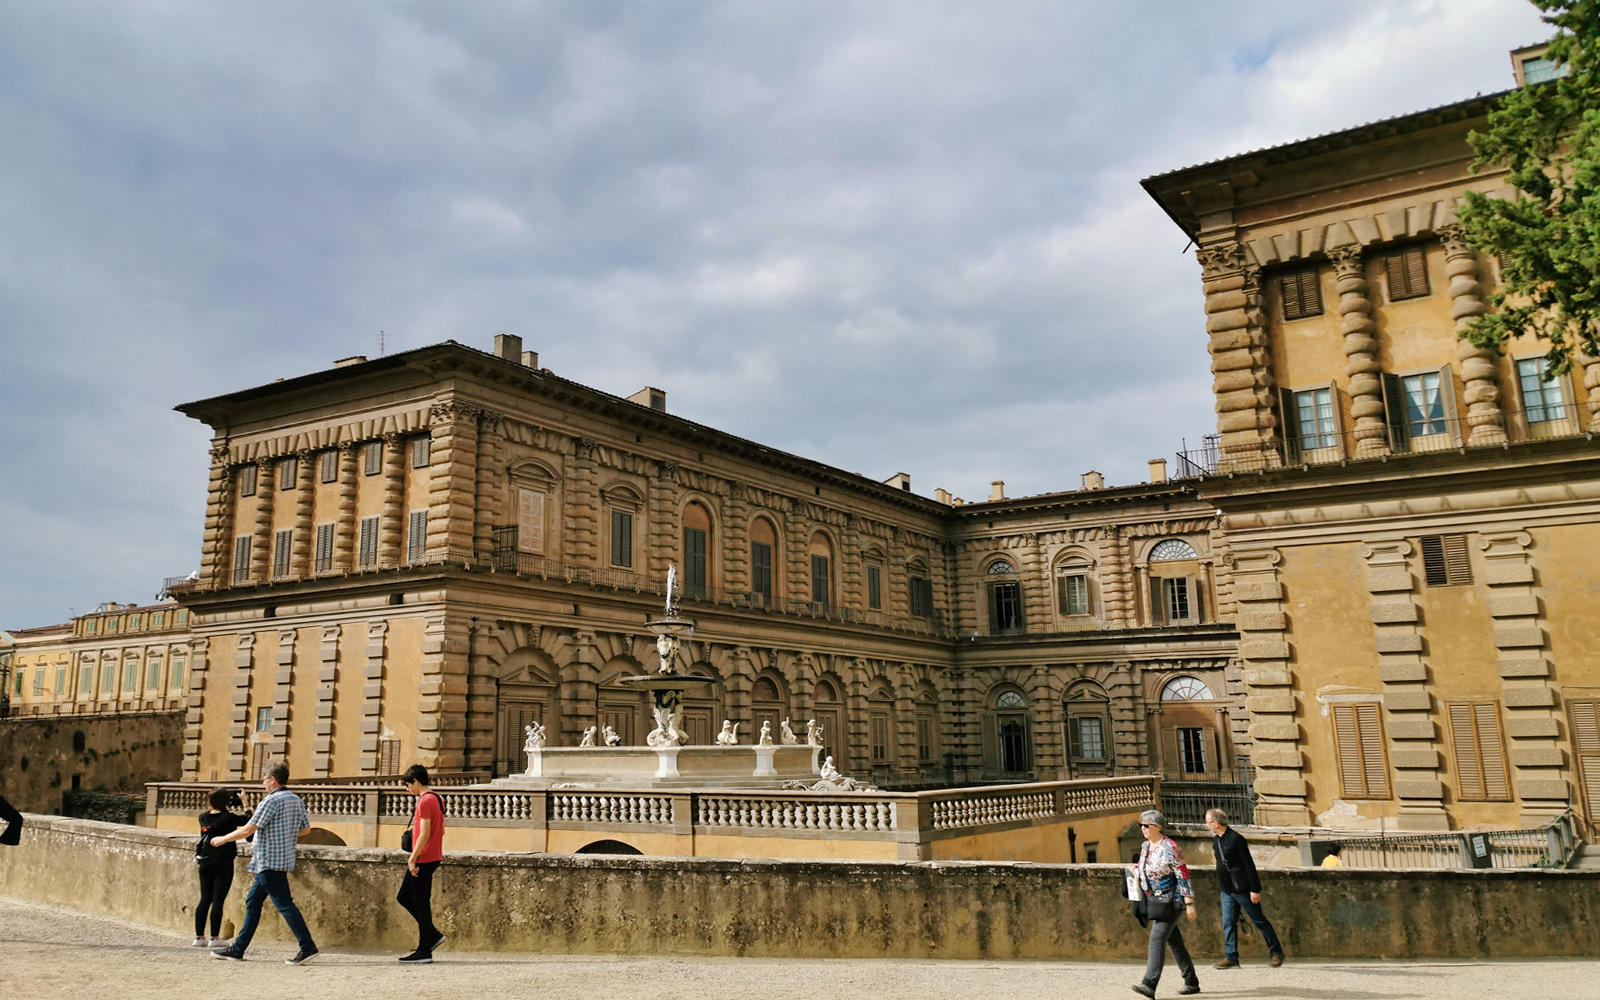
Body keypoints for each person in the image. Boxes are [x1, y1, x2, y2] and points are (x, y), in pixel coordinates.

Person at [207, 762, 320, 964]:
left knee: (285, 905)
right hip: (281, 858)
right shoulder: (295, 799)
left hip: (268, 859)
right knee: (253, 903)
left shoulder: (271, 801)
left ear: (272, 780)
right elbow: (305, 830)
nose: (263, 783)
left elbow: (249, 829)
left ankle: (307, 946)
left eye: (264, 779)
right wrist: (284, 833)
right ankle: (238, 949)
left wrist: (223, 839)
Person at [1127, 809, 1199, 998]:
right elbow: (1148, 869)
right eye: (1140, 825)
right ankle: (1191, 981)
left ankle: (1149, 983)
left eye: (1146, 826)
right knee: (1174, 942)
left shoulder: (1171, 847)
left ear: (1157, 827)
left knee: (1156, 939)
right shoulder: (1145, 846)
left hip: (1171, 901)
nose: (1142, 829)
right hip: (1155, 901)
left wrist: (1189, 902)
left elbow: (1182, 874)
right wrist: (1136, 870)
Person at [1205, 807, 1285, 969]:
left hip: (1243, 888)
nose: (1206, 825)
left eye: (1208, 822)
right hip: (1227, 889)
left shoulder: (1236, 839)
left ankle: (1276, 952)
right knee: (1228, 922)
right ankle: (1231, 956)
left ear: (1216, 822)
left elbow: (1249, 864)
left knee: (1259, 920)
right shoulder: (1217, 840)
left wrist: (1254, 889)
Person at [396, 764, 447, 963]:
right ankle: (431, 936)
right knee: (411, 898)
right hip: (434, 856)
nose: (407, 789)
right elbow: (441, 831)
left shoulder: (424, 801)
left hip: (423, 858)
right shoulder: (438, 798)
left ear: (415, 781)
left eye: (407, 785)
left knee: (415, 900)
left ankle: (425, 948)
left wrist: (413, 857)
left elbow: (424, 833)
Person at [193, 788, 246, 947]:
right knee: (218, 900)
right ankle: (214, 938)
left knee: (204, 898)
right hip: (224, 862)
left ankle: (199, 937)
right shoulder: (229, 818)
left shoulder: (203, 817)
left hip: (206, 861)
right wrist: (244, 801)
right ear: (226, 801)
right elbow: (250, 820)